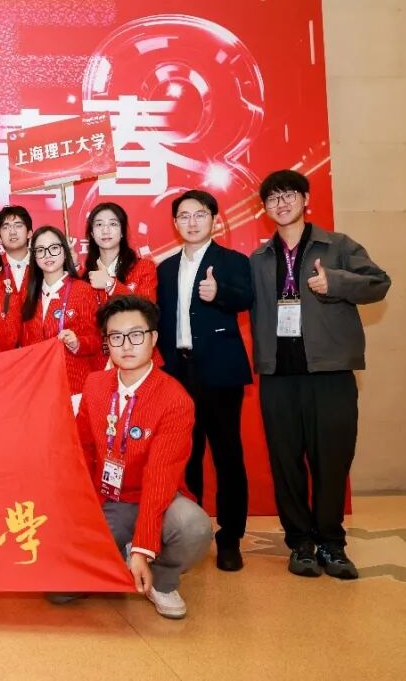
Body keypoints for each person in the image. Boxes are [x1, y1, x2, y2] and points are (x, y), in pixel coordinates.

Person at [250, 169, 390, 580]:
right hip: (278, 374)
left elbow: (379, 283)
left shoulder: (338, 245)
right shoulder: (259, 259)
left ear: (306, 198)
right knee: (286, 462)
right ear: (264, 208)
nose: (281, 203)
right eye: (272, 198)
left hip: (330, 372)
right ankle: (300, 543)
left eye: (289, 194)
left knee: (332, 459)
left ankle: (332, 543)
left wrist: (337, 282)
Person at [64, 295, 213, 619]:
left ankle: (161, 578)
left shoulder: (175, 400)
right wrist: (82, 512)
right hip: (109, 499)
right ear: (107, 343)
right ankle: (120, 556)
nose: (126, 345)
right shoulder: (95, 384)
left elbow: (160, 477)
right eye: (116, 337)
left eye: (136, 335)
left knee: (194, 526)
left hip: (157, 498)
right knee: (60, 590)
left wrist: (144, 549)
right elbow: (82, 451)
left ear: (153, 338)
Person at [155, 190, 253, 572]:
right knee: (185, 455)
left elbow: (246, 296)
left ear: (213, 219)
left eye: (199, 214)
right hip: (177, 372)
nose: (192, 222)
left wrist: (219, 292)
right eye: (184, 216)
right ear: (175, 223)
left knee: (227, 455)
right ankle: (191, 534)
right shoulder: (165, 268)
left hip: (219, 372)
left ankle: (230, 538)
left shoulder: (232, 261)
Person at [20, 225, 100, 396]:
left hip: (73, 385)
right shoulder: (28, 293)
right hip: (38, 385)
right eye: (40, 250)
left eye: (54, 248)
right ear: (34, 256)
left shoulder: (82, 290)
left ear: (65, 252)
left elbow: (96, 340)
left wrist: (77, 343)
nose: (47, 255)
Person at [82, 201, 157, 307]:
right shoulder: (83, 274)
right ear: (92, 234)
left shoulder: (144, 267)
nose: (105, 230)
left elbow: (147, 310)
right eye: (99, 224)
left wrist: (111, 285)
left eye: (113, 224)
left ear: (122, 232)